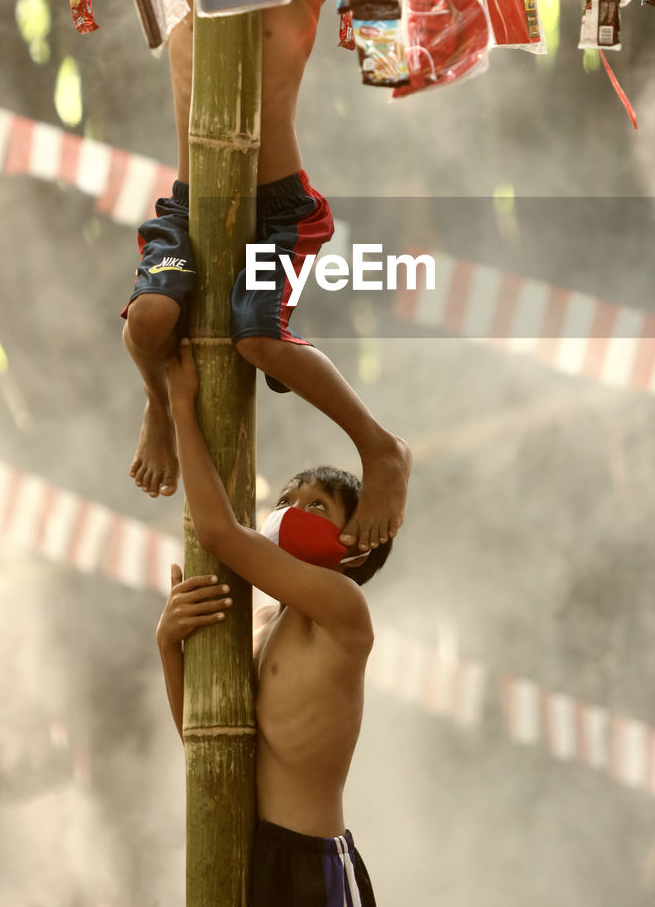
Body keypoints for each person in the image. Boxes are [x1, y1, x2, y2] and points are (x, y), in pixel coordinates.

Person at [122, 0, 410, 554]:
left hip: (277, 207)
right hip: (191, 204)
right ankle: (157, 404)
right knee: (148, 324)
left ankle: (380, 446)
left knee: (256, 336)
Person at [157, 338, 385, 906]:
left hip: (311, 865)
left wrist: (182, 410)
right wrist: (168, 645)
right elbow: (202, 737)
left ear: (354, 547)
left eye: (317, 508)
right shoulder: (261, 621)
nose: (290, 513)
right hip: (250, 852)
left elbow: (218, 533)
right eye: (288, 498)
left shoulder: (344, 611)